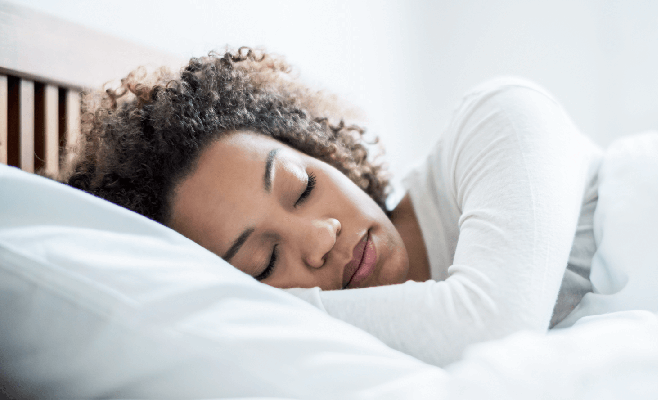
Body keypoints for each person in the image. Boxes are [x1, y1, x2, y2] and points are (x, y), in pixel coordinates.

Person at [63, 47, 605, 366]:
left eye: (301, 188)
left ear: (322, 152)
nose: (320, 237)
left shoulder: (497, 119)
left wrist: (250, 309)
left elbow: (493, 328)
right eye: (265, 264)